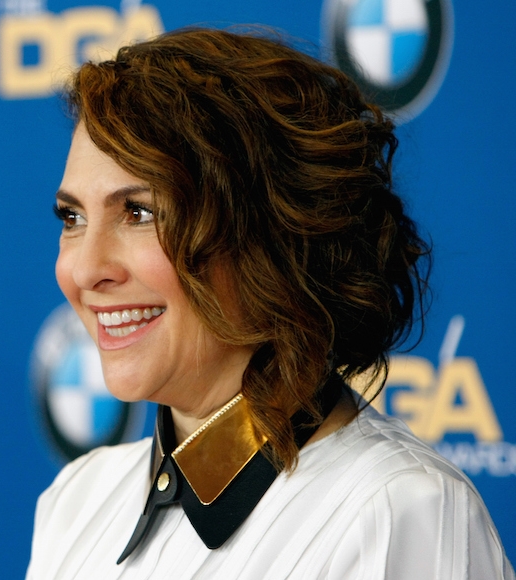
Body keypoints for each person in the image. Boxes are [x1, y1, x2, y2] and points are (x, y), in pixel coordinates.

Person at [26, 27, 515, 579]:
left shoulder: (397, 515)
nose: (85, 269)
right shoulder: (77, 501)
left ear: (272, 238)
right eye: (73, 218)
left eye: (139, 212)